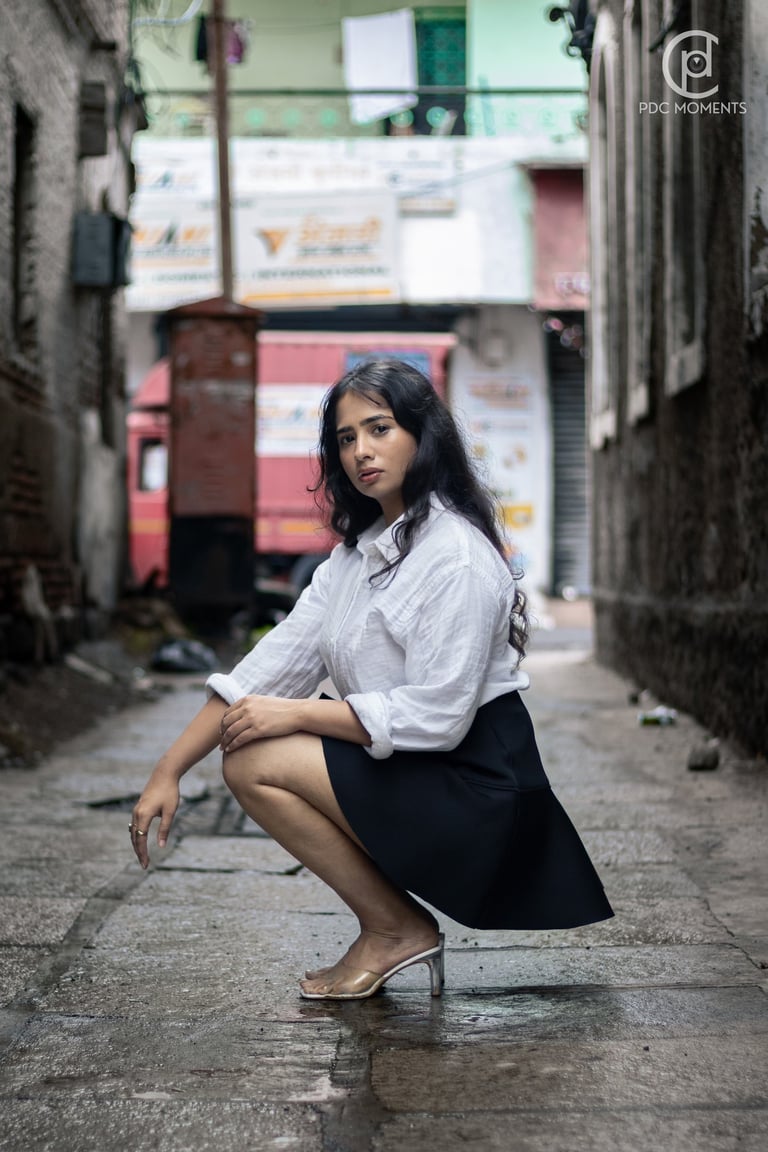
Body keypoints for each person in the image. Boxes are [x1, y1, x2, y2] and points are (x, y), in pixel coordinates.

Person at [130, 359, 613, 1000]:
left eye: (379, 429)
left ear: (422, 434)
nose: (361, 451)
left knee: (258, 756)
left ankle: (392, 929)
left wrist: (300, 715)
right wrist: (168, 771)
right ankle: (395, 926)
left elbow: (439, 718)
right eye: (346, 438)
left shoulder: (457, 556)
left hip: (479, 794)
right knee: (247, 746)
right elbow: (265, 668)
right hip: (419, 774)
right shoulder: (357, 556)